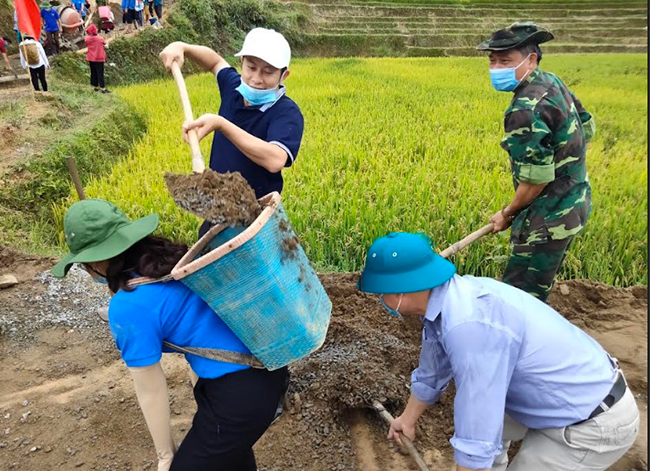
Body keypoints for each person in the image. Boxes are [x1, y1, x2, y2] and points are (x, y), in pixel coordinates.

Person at [357, 232, 639, 471]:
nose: (381, 299)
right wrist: (406, 420)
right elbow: (432, 373)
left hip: (592, 424)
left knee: (480, 441)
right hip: (563, 396)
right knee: (489, 437)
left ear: (403, 290)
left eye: (382, 292)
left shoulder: (469, 329)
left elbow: (476, 433)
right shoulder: (447, 303)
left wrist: (469, 462)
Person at [51, 199, 289, 471]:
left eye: (83, 264)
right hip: (269, 365)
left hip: (239, 396)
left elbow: (151, 390)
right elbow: (201, 328)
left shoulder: (127, 306)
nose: (86, 270)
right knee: (230, 454)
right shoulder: (174, 262)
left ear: (97, 260)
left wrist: (166, 456)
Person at [477, 22, 596, 303]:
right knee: (537, 286)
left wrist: (507, 213)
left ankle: (522, 344)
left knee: (521, 298)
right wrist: (566, 164)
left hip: (547, 219)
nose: (496, 68)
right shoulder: (550, 81)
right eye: (492, 60)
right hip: (575, 201)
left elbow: (536, 179)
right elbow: (587, 126)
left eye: (505, 61)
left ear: (531, 59)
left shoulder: (524, 110)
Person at [160, 28, 304, 238]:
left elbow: (275, 159)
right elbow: (215, 62)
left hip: (256, 219)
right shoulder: (234, 88)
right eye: (251, 67)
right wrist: (183, 47)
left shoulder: (286, 112)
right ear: (242, 62)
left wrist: (222, 125)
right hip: (218, 212)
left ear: (284, 75)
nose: (256, 78)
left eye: (268, 72)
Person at [84, 25, 110, 93]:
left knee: (93, 72)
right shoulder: (100, 39)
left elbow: (87, 43)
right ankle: (103, 88)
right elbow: (106, 45)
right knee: (100, 73)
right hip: (99, 58)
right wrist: (107, 43)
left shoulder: (87, 39)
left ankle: (95, 87)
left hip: (91, 58)